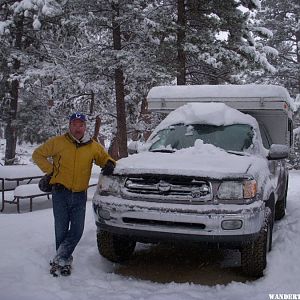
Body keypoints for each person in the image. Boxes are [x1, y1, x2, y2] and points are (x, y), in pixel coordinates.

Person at [32, 112, 115, 277]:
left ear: (85, 127)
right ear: (69, 126)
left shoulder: (92, 146)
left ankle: (59, 258)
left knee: (77, 230)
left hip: (79, 194)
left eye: (81, 125)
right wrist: (52, 171)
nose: (78, 128)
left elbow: (104, 158)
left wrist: (109, 164)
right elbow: (37, 155)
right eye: (75, 125)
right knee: (61, 229)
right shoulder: (58, 142)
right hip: (60, 192)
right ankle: (64, 260)